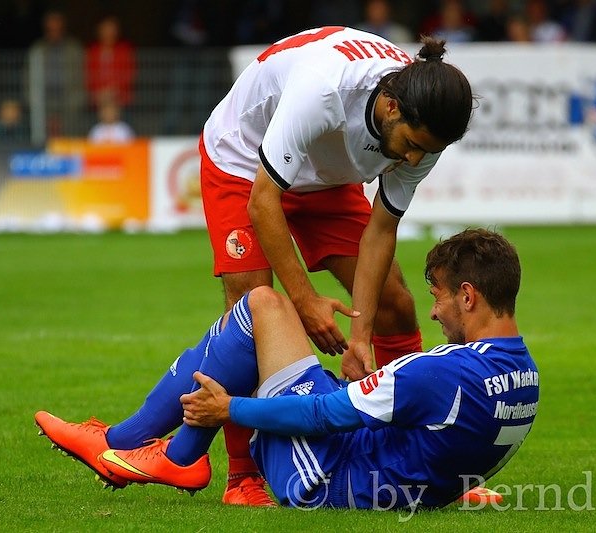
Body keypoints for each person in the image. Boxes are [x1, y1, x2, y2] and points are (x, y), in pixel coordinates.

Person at [35, 228, 539, 512]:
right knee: (266, 328)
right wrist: (450, 485)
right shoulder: (527, 377)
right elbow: (442, 437)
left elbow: (323, 416)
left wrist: (227, 410)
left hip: (321, 475)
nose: (433, 312)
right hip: (382, 476)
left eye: (439, 298)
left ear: (468, 296)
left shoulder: (442, 372)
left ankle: (140, 446)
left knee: (262, 304)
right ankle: (148, 449)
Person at [196, 26, 473, 505]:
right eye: (410, 144)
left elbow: (381, 231)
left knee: (394, 305)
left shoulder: (424, 128)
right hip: (243, 161)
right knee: (253, 308)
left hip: (327, 175)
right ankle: (243, 477)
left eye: (424, 151)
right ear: (390, 108)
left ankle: (407, 457)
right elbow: (264, 203)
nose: (413, 157)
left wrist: (360, 335)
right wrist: (304, 301)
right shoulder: (324, 88)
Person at [25, 10, 84, 137]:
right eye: (50, 29)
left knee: (74, 108)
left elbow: (82, 78)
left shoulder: (74, 49)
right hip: (44, 98)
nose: (54, 33)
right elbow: (27, 79)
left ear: (63, 29)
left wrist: (78, 96)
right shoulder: (37, 49)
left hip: (68, 97)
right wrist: (31, 98)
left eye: (57, 29)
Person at [85, 15, 136, 112]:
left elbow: (129, 75)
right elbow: (88, 75)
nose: (108, 33)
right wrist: (99, 93)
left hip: (121, 98)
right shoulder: (92, 51)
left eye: (112, 29)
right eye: (105, 29)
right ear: (99, 31)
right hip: (97, 99)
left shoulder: (125, 50)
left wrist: (114, 92)